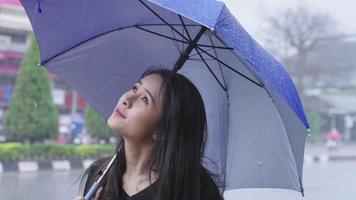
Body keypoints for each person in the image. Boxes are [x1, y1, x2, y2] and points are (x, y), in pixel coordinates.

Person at [75, 66, 225, 200]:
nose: (127, 98)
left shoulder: (195, 191)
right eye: (135, 88)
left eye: (145, 99)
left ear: (162, 131)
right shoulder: (100, 175)